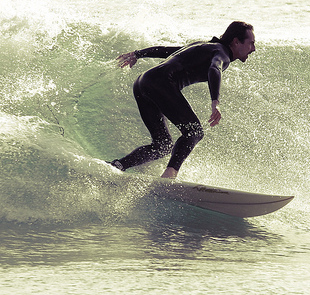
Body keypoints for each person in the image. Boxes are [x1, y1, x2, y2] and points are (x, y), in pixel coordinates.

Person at [109, 21, 256, 179]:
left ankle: (117, 166)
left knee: (163, 146)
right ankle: (170, 174)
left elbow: (168, 51)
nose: (253, 48)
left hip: (143, 82)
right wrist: (215, 102)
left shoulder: (205, 46)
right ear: (236, 41)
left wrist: (138, 54)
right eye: (251, 43)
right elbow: (214, 68)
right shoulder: (223, 53)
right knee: (194, 132)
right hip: (160, 82)